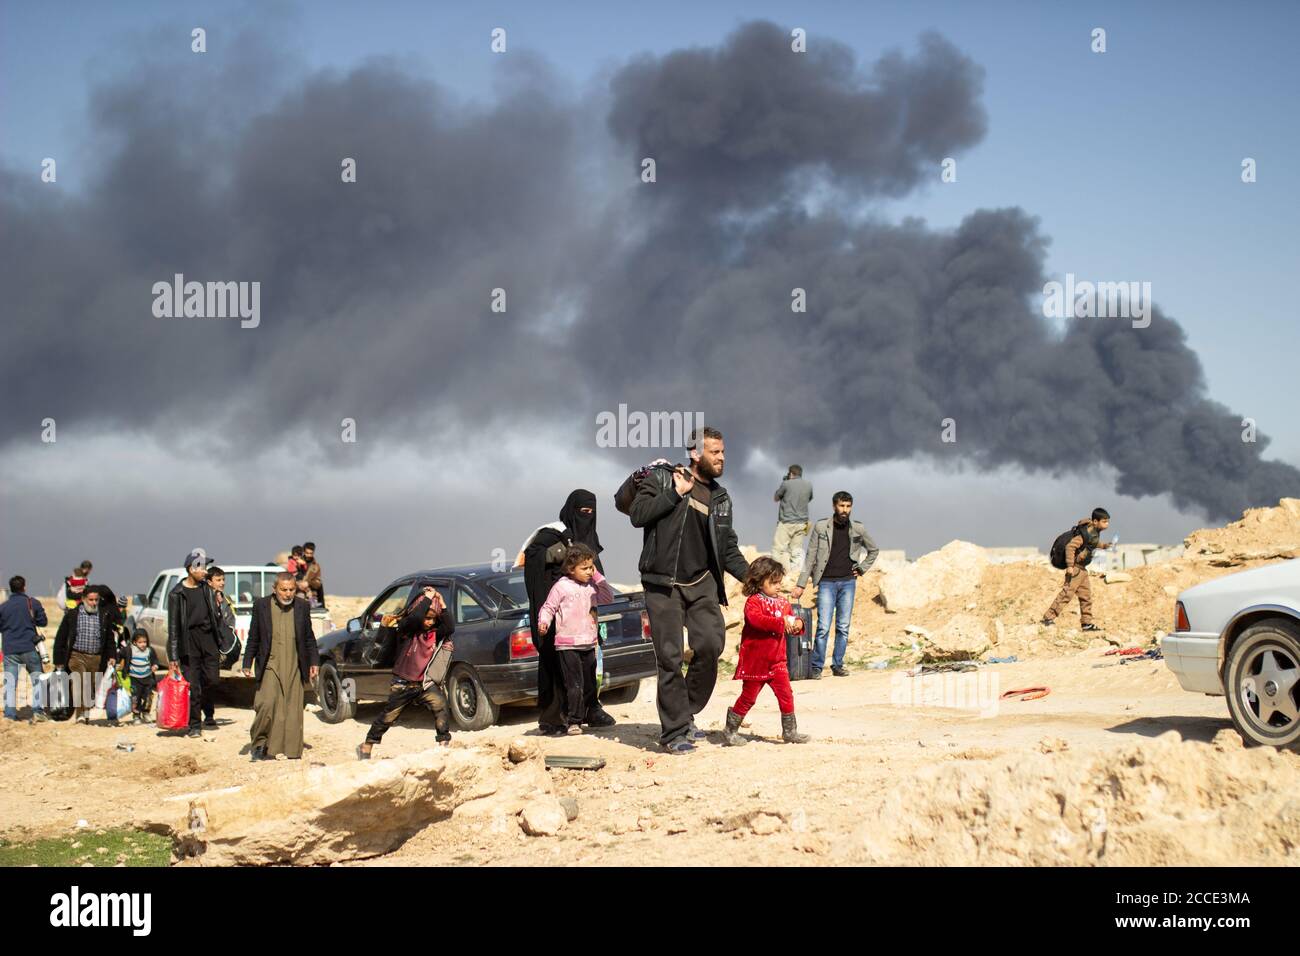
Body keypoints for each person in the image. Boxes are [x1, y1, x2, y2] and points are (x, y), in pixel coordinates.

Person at [630, 426, 750, 754]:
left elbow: (727, 548)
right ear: (696, 454)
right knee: (669, 657)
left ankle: (686, 711)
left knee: (711, 644)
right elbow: (637, 515)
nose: (722, 458)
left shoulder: (721, 498)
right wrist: (674, 493)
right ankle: (674, 733)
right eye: (715, 452)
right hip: (662, 583)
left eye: (724, 452)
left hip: (701, 583)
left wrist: (753, 579)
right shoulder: (664, 478)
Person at [523, 489, 614, 736]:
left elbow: (600, 582)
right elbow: (531, 558)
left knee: (588, 668)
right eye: (582, 512)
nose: (587, 516)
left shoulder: (588, 540)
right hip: (557, 620)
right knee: (556, 667)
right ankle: (553, 719)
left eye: (591, 512)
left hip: (584, 621)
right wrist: (556, 554)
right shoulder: (552, 533)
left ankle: (589, 709)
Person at [357, 586, 454, 759]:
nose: (430, 622)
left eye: (433, 619)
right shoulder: (406, 631)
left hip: (424, 684)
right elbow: (415, 617)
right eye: (427, 618)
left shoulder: (433, 634)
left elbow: (450, 626)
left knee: (440, 706)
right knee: (388, 717)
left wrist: (442, 601)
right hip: (402, 684)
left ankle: (443, 744)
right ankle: (366, 746)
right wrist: (427, 598)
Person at [723, 556, 810, 746]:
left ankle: (790, 732)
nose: (778, 586)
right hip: (756, 663)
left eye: (779, 582)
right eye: (773, 582)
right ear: (760, 581)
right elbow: (757, 621)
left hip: (777, 662)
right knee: (748, 698)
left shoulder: (783, 603)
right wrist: (782, 623)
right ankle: (730, 729)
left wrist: (798, 623)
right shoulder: (753, 602)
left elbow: (792, 620)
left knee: (786, 695)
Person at [793, 491, 879, 679]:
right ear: (834, 506)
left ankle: (838, 664)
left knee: (843, 626)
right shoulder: (821, 527)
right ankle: (816, 666)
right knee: (823, 626)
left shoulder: (858, 529)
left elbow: (873, 550)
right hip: (826, 583)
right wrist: (801, 585)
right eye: (841, 506)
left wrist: (862, 569)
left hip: (848, 582)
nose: (845, 510)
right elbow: (810, 557)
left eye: (848, 506)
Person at [537, 544, 616, 735]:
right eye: (585, 568)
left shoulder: (592, 588)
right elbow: (548, 607)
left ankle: (587, 714)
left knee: (589, 684)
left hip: (588, 643)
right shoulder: (561, 586)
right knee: (574, 685)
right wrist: (544, 622)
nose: (589, 571)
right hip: (567, 645)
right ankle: (574, 721)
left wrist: (598, 577)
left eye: (591, 567)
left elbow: (608, 597)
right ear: (571, 568)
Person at [242, 572, 320, 761]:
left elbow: (309, 637)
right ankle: (259, 744)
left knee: (292, 708)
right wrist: (247, 661)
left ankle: (291, 749)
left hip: (294, 663)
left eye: (291, 589)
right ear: (274, 589)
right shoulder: (261, 605)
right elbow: (254, 635)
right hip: (270, 663)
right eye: (283, 590)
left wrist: (314, 661)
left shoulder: (302, 606)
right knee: (266, 703)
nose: (287, 594)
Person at [167, 549, 223, 737]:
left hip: (208, 640)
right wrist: (173, 656)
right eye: (202, 567)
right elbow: (173, 627)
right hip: (188, 641)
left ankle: (209, 712)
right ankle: (195, 725)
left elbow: (218, 619)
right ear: (191, 569)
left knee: (212, 680)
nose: (205, 571)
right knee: (193, 685)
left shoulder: (207, 589)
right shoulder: (177, 594)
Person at [52, 584, 117, 723]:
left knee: (91, 687)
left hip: (96, 658)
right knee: (79, 683)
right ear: (83, 599)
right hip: (76, 656)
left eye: (96, 600)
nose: (94, 603)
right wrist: (58, 659)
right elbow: (61, 637)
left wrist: (112, 656)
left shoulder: (104, 615)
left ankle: (85, 713)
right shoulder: (72, 615)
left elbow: (109, 639)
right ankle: (80, 715)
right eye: (90, 599)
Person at [1042, 508, 1112, 631]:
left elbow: (1092, 544)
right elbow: (1070, 547)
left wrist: (1104, 546)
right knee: (1066, 594)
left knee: (1086, 597)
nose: (1107, 524)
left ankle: (1086, 623)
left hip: (1083, 570)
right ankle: (1048, 618)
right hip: (1075, 569)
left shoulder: (1094, 532)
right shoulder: (1085, 533)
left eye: (1108, 522)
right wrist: (1069, 565)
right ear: (1095, 521)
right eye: (1104, 521)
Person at [1, 576, 49, 722]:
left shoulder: (3, 607)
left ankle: (9, 714)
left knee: (10, 683)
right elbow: (43, 622)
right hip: (29, 647)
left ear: (10, 588)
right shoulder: (32, 603)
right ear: (24, 587)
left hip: (10, 650)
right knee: (37, 680)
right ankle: (37, 711)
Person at [772, 465, 813, 576]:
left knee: (778, 550)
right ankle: (795, 576)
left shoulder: (786, 484)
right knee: (797, 551)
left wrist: (785, 482)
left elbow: (776, 498)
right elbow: (809, 498)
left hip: (786, 522)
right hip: (802, 523)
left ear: (791, 473)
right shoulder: (808, 485)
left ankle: (776, 575)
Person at [119, 631, 162, 724]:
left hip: (147, 677)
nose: (143, 644)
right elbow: (120, 654)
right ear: (134, 642)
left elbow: (155, 660)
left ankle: (146, 712)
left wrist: (155, 665)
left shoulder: (149, 650)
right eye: (140, 642)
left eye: (145, 642)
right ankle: (136, 715)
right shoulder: (129, 650)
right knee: (135, 697)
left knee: (148, 696)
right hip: (135, 679)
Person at [301, 542, 325, 609]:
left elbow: (318, 583)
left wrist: (308, 583)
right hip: (298, 594)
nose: (308, 555)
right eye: (307, 553)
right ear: (303, 552)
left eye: (311, 553)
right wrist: (300, 584)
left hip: (312, 596)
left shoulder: (316, 567)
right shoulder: (297, 563)